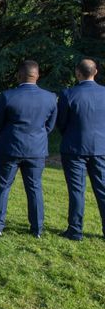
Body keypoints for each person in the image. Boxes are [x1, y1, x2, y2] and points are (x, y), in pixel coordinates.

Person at [0, 60, 57, 238]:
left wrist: (6, 136)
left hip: (10, 147)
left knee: (2, 187)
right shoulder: (50, 97)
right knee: (34, 188)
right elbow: (49, 125)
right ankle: (37, 229)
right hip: (36, 149)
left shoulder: (8, 96)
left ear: (19, 75)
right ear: (37, 75)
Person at [57, 59, 105, 241]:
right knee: (102, 189)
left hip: (74, 147)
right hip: (100, 147)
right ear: (96, 72)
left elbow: (61, 122)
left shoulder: (69, 94)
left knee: (76, 190)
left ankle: (75, 230)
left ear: (77, 73)